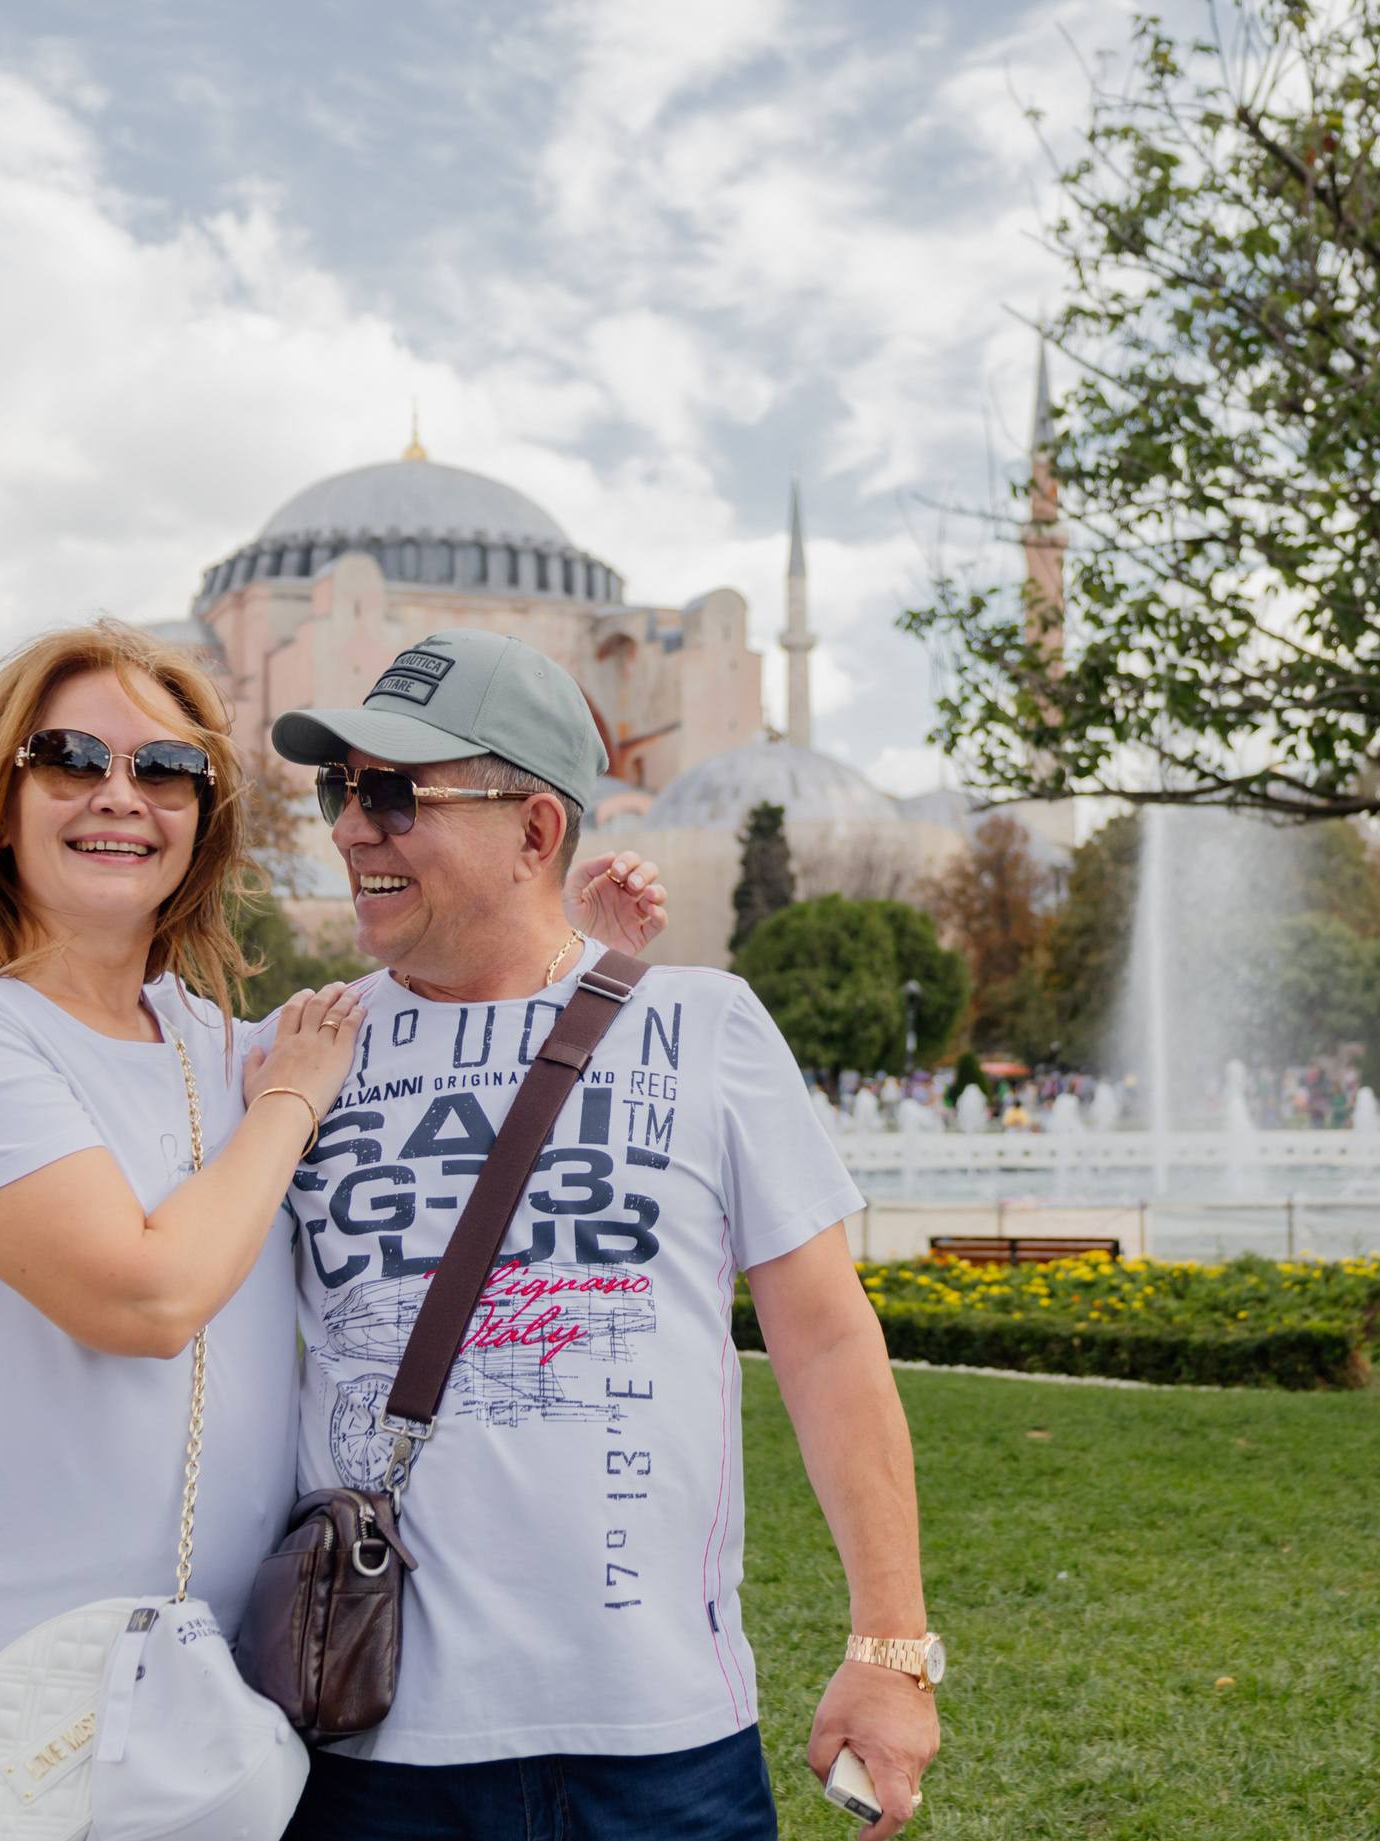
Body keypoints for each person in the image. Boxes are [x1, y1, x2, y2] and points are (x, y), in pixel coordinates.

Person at [0, 622, 666, 1841]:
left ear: (202, 816)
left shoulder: (212, 1041)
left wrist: (562, 921)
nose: (122, 795)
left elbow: (453, 1017)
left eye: (166, 769)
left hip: (223, 1700)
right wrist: (286, 1097)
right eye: (70, 758)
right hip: (45, 1699)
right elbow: (145, 1299)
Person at [263, 630, 939, 1841]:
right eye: (340, 788)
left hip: (661, 1747)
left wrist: (891, 1645)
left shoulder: (702, 1023)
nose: (353, 826)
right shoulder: (288, 1052)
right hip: (374, 1745)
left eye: (396, 792)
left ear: (535, 830)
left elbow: (830, 1342)